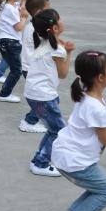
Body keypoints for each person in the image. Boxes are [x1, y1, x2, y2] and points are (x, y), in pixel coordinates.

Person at [52, 51, 106, 211]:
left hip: (66, 155)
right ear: (100, 77)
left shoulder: (87, 96)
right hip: (76, 162)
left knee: (99, 186)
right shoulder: (96, 107)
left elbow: (102, 126)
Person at [24, 9, 74, 177]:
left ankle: (39, 159)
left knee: (53, 129)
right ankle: (40, 163)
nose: (63, 21)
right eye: (59, 19)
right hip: (44, 96)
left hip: (34, 93)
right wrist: (70, 53)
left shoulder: (44, 44)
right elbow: (63, 74)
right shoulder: (57, 50)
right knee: (59, 131)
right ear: (54, 28)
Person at [18, 0, 51, 134]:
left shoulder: (33, 25)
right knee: (42, 98)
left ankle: (32, 119)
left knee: (42, 96)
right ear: (39, 12)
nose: (50, 12)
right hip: (32, 68)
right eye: (47, 9)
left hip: (31, 66)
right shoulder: (34, 29)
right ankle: (29, 122)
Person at [0, 0, 30, 103]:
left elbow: (19, 9)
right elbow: (19, 26)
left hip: (5, 40)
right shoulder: (9, 8)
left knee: (14, 68)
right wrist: (25, 18)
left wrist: (24, 1)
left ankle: (4, 91)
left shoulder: (8, 5)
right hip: (11, 42)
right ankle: (4, 94)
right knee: (16, 70)